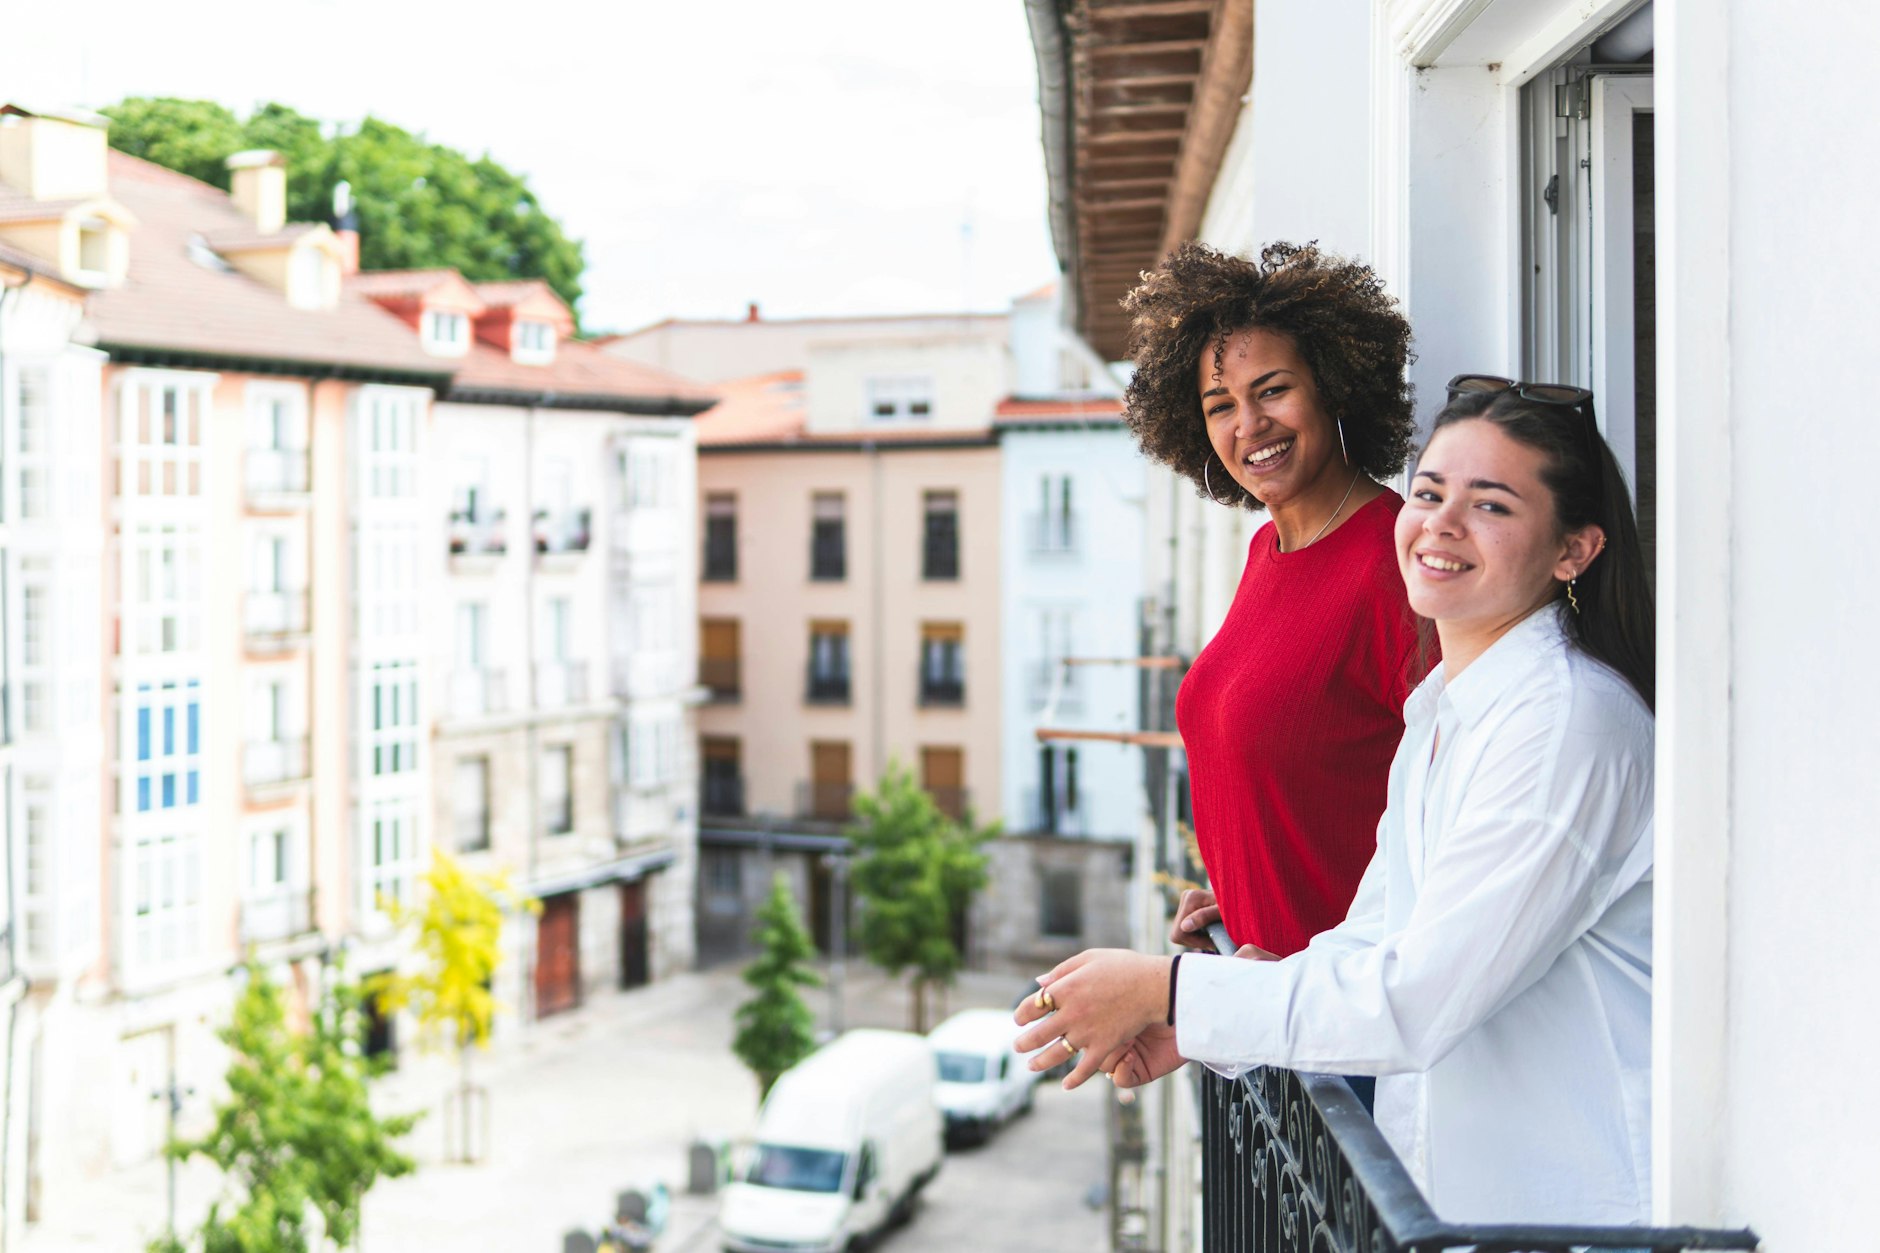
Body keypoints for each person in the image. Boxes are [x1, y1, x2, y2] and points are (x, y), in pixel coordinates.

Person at [1016, 379, 1657, 1227]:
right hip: (1456, 1212)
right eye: (1429, 492)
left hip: (1568, 1217)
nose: (1440, 522)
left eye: (1491, 505)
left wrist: (1170, 990)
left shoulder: (1566, 726)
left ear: (1573, 550)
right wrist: (1207, 1018)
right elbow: (1371, 938)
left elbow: (1412, 997)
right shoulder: (1446, 713)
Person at [1121, 241, 1426, 976]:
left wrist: (1308, 957)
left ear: (1332, 385)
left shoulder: (1397, 563)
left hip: (1349, 1040)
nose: (1247, 424)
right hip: (1274, 1023)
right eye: (1219, 404)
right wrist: (1241, 900)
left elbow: (1452, 833)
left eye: (1273, 389)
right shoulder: (1267, 552)